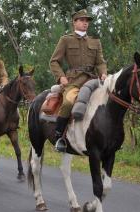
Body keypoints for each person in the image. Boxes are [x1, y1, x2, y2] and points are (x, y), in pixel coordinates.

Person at [49, 9, 108, 152]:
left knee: (107, 101)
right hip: (73, 81)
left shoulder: (95, 42)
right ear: (74, 22)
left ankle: (108, 138)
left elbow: (100, 62)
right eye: (82, 20)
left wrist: (103, 73)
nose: (85, 23)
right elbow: (54, 61)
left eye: (87, 21)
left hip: (92, 80)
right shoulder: (66, 40)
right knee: (68, 102)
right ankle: (59, 137)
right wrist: (61, 76)